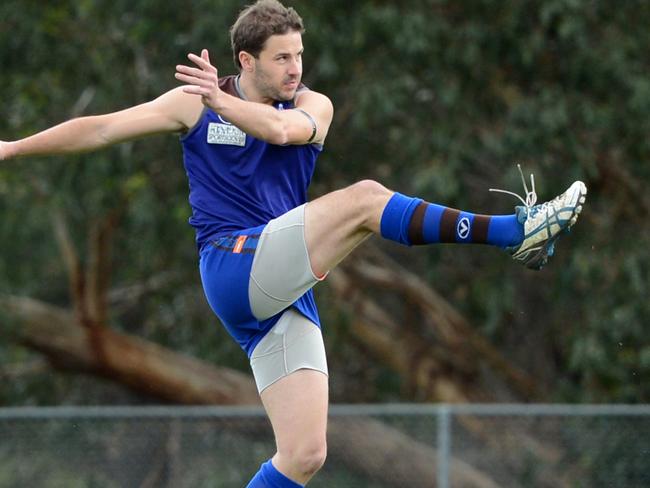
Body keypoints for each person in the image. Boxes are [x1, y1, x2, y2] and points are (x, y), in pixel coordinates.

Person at [0, 1, 587, 486]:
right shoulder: (193, 105)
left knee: (304, 454)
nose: (295, 68)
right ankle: (515, 231)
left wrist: (224, 102)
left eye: (299, 55)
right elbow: (101, 127)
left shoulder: (310, 105)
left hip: (281, 289)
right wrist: (11, 149)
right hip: (233, 266)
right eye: (282, 57)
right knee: (363, 200)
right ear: (245, 60)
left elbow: (282, 130)